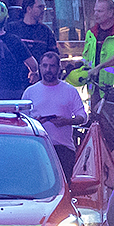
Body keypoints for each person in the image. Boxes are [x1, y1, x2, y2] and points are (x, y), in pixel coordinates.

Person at [23, 48, 89, 177]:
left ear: (59, 68)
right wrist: (35, 123)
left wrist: (67, 121)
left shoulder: (69, 90)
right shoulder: (30, 92)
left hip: (63, 148)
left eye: (52, 66)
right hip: (37, 148)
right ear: (40, 67)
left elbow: (83, 117)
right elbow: (22, 121)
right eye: (45, 66)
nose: (48, 70)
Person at [71, 0, 114, 110]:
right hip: (95, 89)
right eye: (95, 10)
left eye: (100, 11)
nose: (96, 14)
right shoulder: (91, 34)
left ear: (111, 12)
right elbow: (86, 59)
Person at [10, 0, 58, 64]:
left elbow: (53, 56)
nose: (43, 10)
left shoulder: (46, 31)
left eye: (44, 7)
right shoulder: (12, 29)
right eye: (40, 7)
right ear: (29, 9)